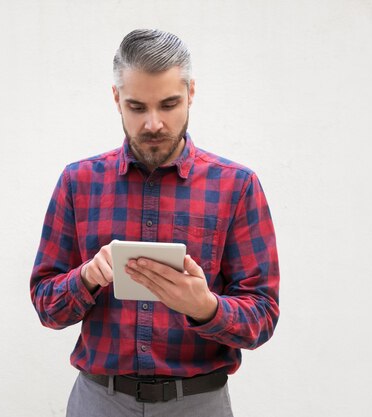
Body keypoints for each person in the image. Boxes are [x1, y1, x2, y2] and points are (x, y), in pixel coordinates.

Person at [30, 29, 280, 417]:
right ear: (116, 99)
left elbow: (262, 316)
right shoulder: (78, 183)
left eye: (168, 104)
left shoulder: (237, 186)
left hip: (199, 403)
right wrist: (87, 277)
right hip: (99, 401)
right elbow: (46, 306)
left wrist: (206, 307)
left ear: (191, 93)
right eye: (137, 106)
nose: (153, 123)